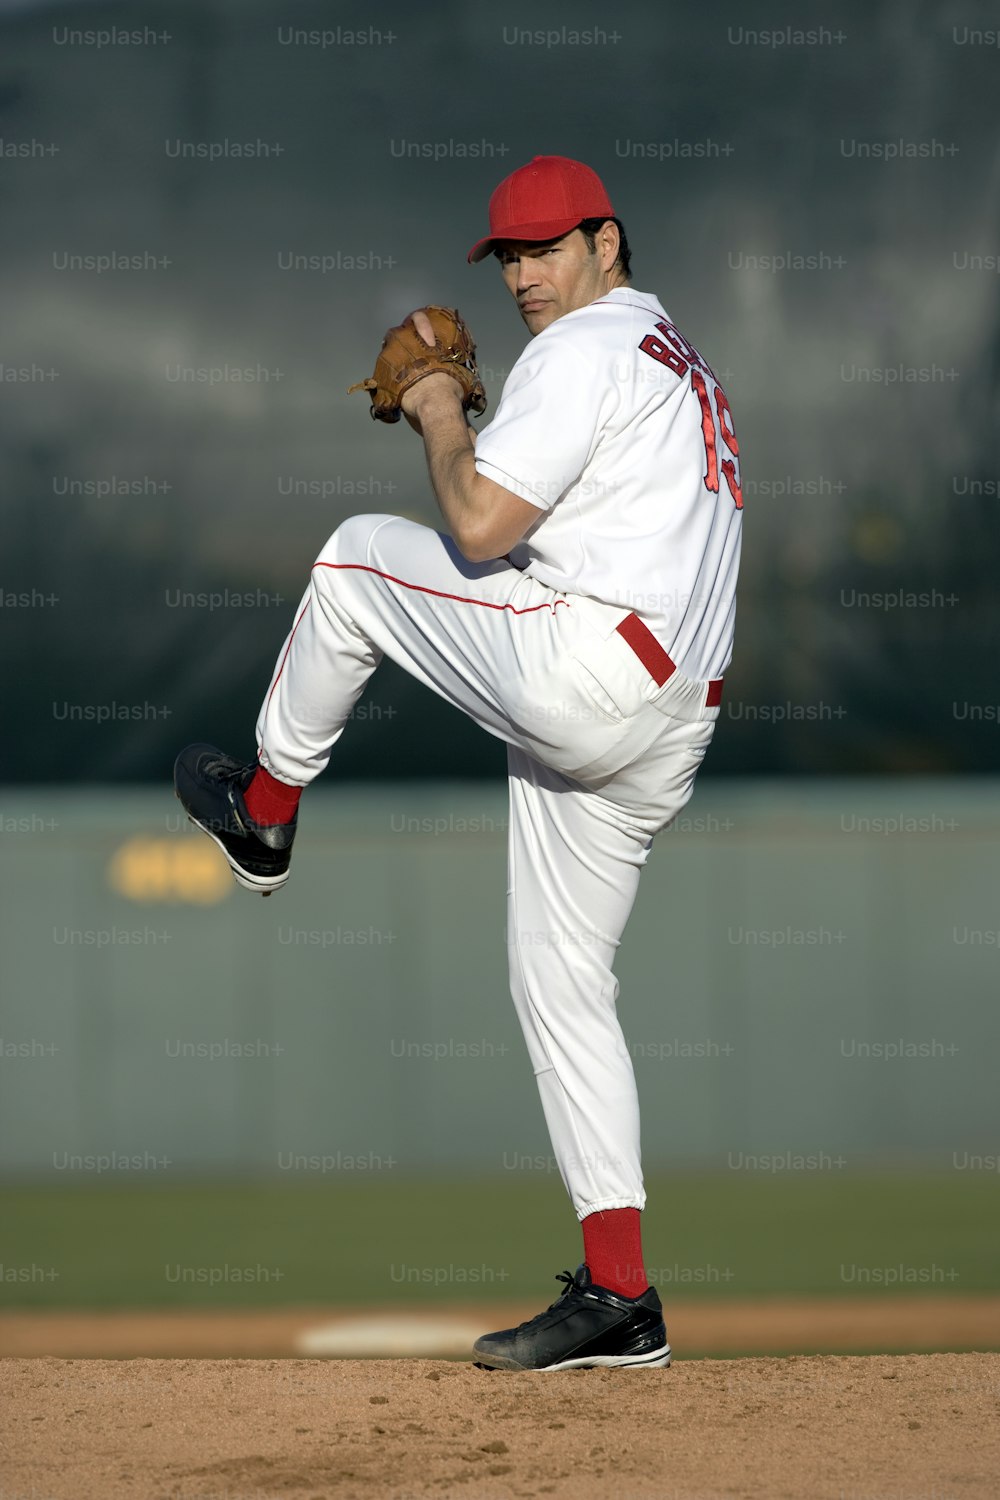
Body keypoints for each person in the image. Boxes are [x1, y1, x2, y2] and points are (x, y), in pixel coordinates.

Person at [174, 154, 743, 1373]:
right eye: (511, 257)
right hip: (667, 718)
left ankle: (263, 813)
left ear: (607, 239)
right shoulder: (671, 355)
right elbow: (537, 532)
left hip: (591, 670)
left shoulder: (585, 348)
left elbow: (481, 527)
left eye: (548, 248)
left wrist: (441, 413)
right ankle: (620, 1294)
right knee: (560, 984)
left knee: (354, 560)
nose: (529, 276)